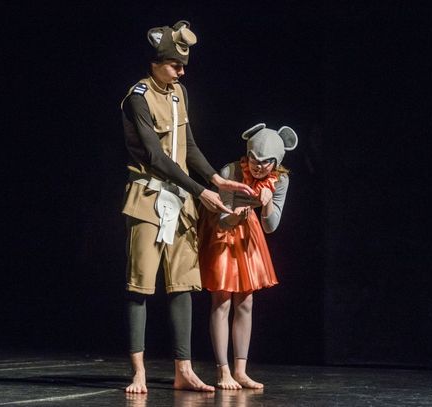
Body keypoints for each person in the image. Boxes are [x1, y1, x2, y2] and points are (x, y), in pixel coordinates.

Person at [120, 20, 252, 394]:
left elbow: (188, 146)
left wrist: (216, 180)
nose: (181, 72)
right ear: (156, 62)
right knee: (140, 286)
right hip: (148, 200)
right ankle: (139, 372)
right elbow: (155, 156)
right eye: (174, 65)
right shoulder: (138, 97)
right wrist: (199, 190)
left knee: (182, 285)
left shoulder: (180, 94)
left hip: (179, 203)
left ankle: (184, 370)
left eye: (183, 66)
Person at [198, 123, 298, 389]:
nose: (258, 166)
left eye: (265, 162)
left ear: (276, 162)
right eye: (254, 159)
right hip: (223, 232)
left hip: (249, 234)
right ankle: (223, 371)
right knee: (222, 299)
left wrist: (267, 203)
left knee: (246, 301)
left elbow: (270, 226)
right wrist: (236, 215)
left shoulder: (280, 180)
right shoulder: (230, 171)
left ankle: (240, 371)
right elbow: (221, 220)